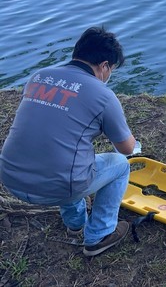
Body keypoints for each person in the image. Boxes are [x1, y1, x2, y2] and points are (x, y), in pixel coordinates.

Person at [0, 27, 136, 256]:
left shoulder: (39, 76)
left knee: (67, 156)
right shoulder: (103, 95)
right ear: (104, 66)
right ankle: (99, 235)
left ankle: (75, 225)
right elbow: (127, 148)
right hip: (58, 187)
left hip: (11, 179)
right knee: (120, 165)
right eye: (111, 69)